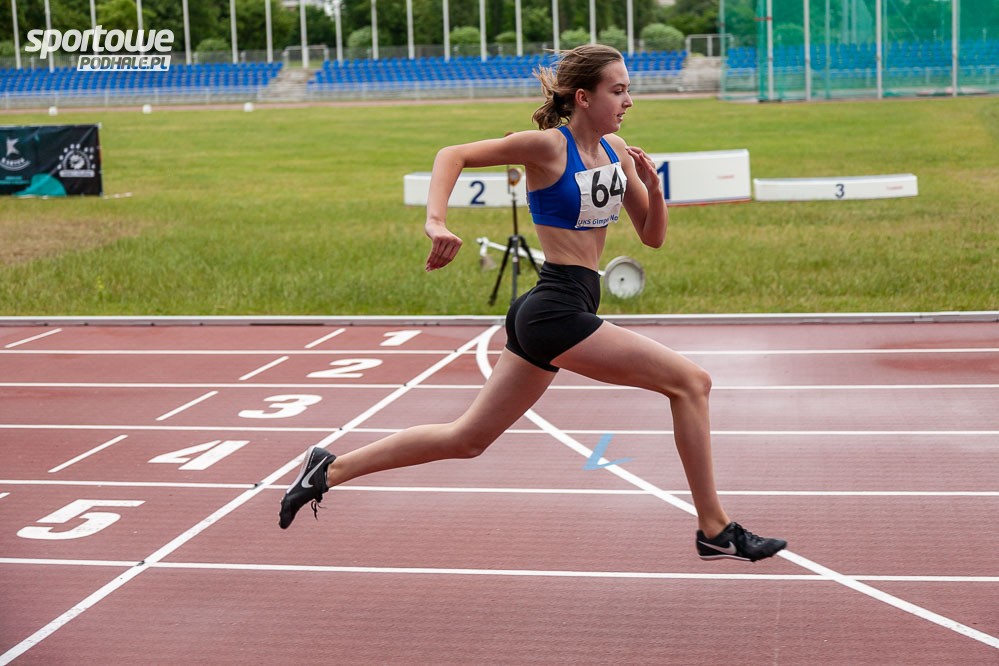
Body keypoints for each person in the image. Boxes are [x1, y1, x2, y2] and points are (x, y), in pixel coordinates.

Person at [280, 44, 787, 563]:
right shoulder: (547, 147)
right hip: (555, 309)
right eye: (618, 91)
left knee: (467, 438)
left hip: (558, 307)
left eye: (628, 90)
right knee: (691, 383)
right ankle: (714, 528)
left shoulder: (616, 150)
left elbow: (652, 237)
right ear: (584, 97)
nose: (629, 101)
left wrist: (654, 191)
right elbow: (452, 154)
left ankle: (329, 469)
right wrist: (436, 222)